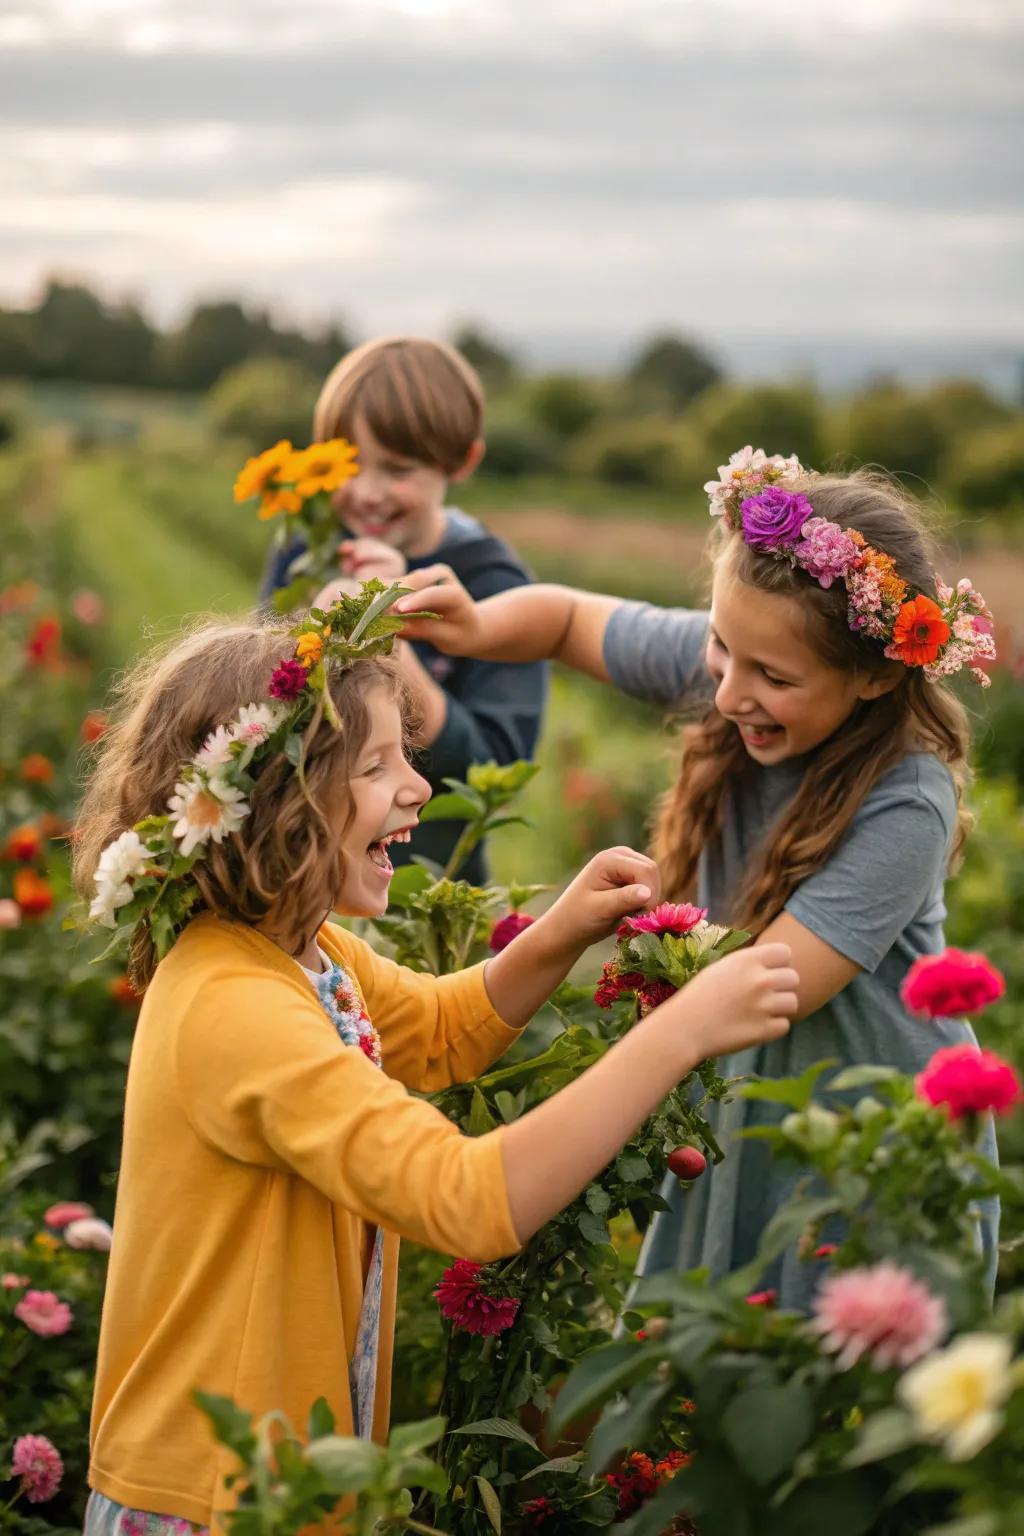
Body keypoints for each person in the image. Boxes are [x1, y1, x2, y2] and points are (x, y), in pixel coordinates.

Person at [72, 591, 796, 1532]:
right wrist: (681, 1031)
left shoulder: (296, 950)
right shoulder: (235, 1007)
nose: (418, 786)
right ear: (279, 808)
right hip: (209, 1498)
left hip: (269, 1481)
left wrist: (559, 931)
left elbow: (433, 1029)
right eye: (379, 765)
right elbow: (466, 1197)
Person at [394, 448, 1000, 1309]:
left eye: (773, 678)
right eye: (720, 645)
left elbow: (764, 984)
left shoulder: (907, 798)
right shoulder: (746, 652)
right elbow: (567, 620)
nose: (726, 694)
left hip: (860, 1150)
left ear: (872, 674)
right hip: (738, 1111)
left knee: (831, 1394)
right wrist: (479, 628)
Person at [260, 335, 547, 882]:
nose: (367, 492)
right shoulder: (306, 551)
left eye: (397, 469)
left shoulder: (491, 583)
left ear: (463, 462)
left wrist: (381, 626)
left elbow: (492, 766)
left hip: (422, 888)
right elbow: (256, 702)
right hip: (300, 868)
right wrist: (305, 628)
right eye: (349, 464)